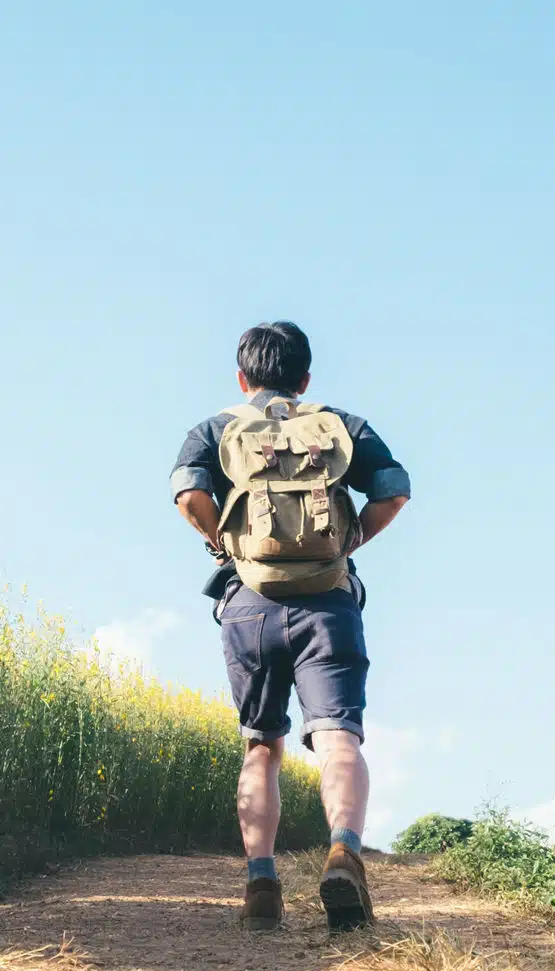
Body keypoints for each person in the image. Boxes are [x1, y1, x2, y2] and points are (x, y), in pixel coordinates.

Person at [169, 321, 411, 931]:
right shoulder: (338, 426)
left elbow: (188, 494)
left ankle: (261, 882)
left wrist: (223, 545)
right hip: (327, 602)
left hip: (248, 605)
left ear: (242, 377)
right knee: (338, 738)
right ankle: (344, 850)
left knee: (262, 746)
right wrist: (351, 539)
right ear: (305, 378)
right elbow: (394, 491)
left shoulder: (217, 428)